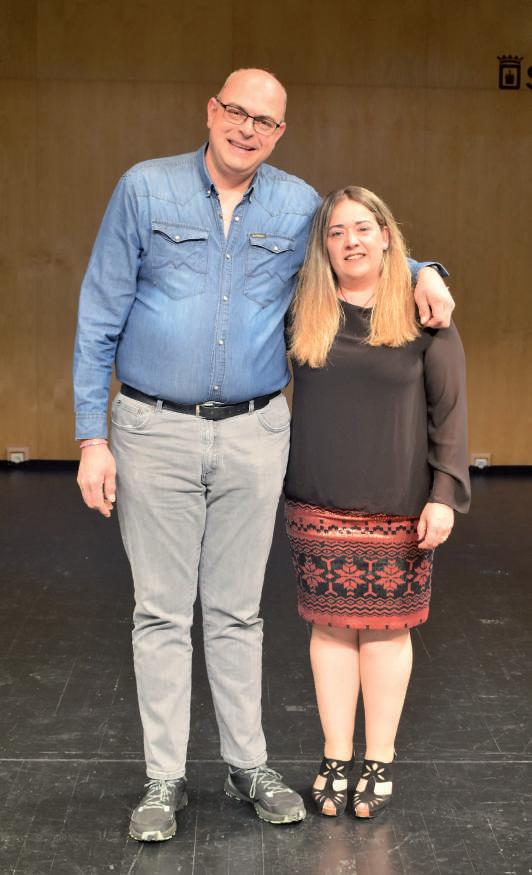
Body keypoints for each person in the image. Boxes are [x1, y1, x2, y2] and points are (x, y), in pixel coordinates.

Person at [73, 69, 455, 841]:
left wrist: (427, 273)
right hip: (153, 428)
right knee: (160, 611)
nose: (247, 129)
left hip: (254, 433)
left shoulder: (298, 205)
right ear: (211, 111)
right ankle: (164, 778)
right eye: (237, 112)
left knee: (237, 611)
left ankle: (247, 765)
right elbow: (98, 312)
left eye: (265, 121)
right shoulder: (144, 189)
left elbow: (358, 245)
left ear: (279, 133)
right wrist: (91, 438)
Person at [284, 185, 470, 820]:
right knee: (331, 630)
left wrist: (444, 495)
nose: (351, 242)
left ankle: (379, 760)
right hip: (317, 500)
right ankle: (336, 757)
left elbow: (450, 412)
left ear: (387, 236)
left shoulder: (424, 312)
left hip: (399, 506)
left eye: (363, 228)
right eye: (336, 232)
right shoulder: (303, 309)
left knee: (388, 636)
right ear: (324, 245)